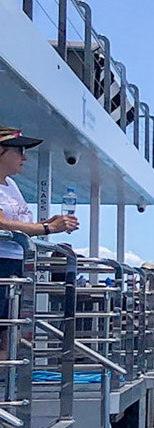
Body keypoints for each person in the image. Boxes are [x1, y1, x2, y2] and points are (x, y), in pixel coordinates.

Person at [0, 130, 78, 377]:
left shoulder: (10, 184)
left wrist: (49, 222)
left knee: (10, 331)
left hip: (16, 265)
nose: (24, 158)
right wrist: (47, 228)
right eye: (19, 151)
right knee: (4, 328)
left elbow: (18, 222)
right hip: (2, 264)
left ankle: (6, 391)